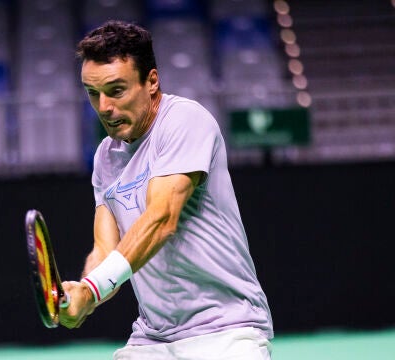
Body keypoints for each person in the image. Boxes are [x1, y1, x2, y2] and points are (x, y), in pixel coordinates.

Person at [59, 20, 274, 360]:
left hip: (226, 331)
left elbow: (161, 220)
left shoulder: (184, 121)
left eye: (116, 90)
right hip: (153, 339)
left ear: (152, 82)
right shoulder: (105, 157)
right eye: (93, 93)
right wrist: (83, 292)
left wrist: (93, 289)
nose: (104, 107)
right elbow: (104, 249)